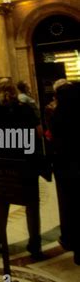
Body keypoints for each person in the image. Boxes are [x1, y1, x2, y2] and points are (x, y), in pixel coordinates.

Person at [0, 80, 45, 259]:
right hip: (26, 162)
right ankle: (35, 243)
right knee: (32, 203)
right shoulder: (26, 108)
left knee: (0, 202)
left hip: (3, 164)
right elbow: (39, 132)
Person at [49, 81, 80, 265]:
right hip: (71, 165)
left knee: (69, 205)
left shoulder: (57, 115)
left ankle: (71, 239)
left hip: (65, 167)